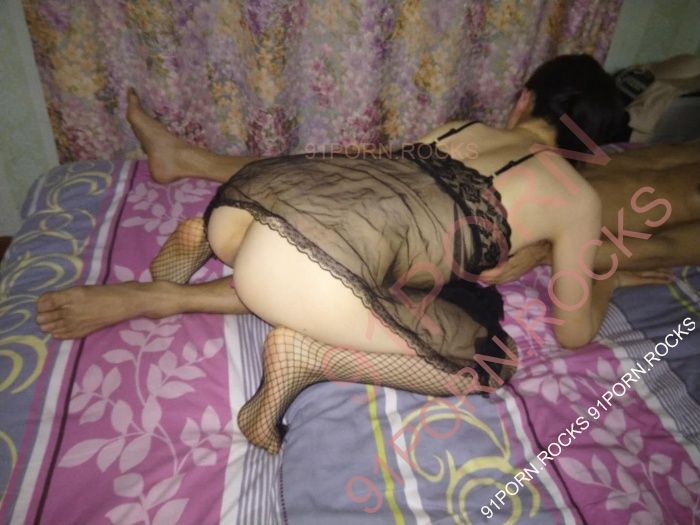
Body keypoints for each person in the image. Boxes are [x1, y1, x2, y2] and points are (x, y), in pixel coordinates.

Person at [37, 55, 684, 454]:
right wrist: (604, 274)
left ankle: (189, 252)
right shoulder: (574, 195)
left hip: (250, 204)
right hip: (297, 269)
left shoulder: (459, 127)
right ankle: (304, 354)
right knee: (491, 360)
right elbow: (572, 330)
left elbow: (378, 194)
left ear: (524, 100)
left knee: (362, 251)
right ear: (591, 148)